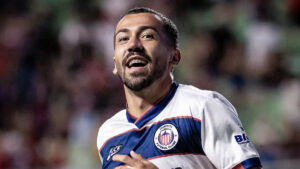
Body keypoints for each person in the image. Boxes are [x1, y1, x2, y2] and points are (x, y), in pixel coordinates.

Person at [97, 7, 262, 169]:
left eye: (147, 36)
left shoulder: (202, 107)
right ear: (115, 64)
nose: (133, 45)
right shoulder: (108, 134)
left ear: (174, 57)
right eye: (123, 39)